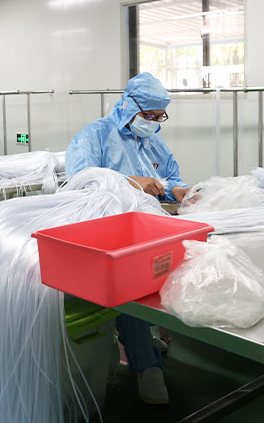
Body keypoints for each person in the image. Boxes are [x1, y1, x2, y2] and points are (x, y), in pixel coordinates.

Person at [65, 72, 190, 406]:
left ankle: (143, 339)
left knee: (157, 286)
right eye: (149, 115)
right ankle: (146, 365)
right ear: (129, 106)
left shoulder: (152, 140)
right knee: (130, 294)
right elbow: (80, 182)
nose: (153, 122)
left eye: (159, 116)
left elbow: (170, 175)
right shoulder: (94, 136)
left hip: (147, 231)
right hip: (108, 233)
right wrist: (130, 181)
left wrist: (179, 190)